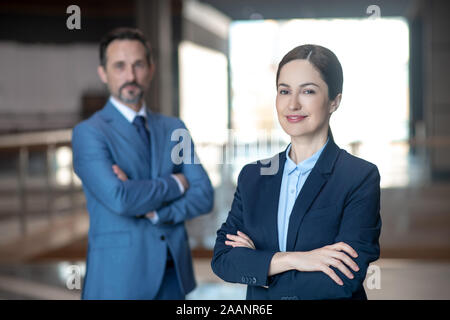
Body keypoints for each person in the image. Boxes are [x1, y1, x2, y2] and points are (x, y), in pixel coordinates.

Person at [211, 44, 381, 300]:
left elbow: (344, 279)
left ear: (334, 101)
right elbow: (224, 259)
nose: (293, 104)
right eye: (284, 91)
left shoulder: (358, 177)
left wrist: (261, 265)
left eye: (308, 91)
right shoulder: (253, 177)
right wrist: (296, 260)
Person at [72, 27, 214, 299]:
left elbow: (204, 195)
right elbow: (120, 198)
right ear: (103, 72)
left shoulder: (175, 127)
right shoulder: (88, 133)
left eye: (138, 65)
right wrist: (176, 183)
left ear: (151, 68)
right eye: (120, 66)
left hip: (174, 274)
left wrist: (158, 213)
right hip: (119, 278)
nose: (130, 76)